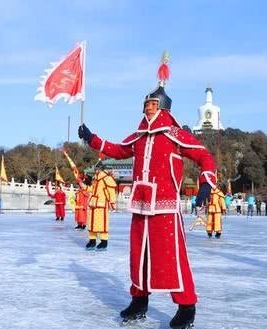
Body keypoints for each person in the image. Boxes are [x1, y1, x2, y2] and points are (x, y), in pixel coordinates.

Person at [78, 53, 217, 329]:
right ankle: (140, 300)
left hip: (165, 206)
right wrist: (92, 138)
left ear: (163, 107)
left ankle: (187, 305)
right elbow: (118, 150)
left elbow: (204, 156)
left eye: (153, 103)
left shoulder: (174, 134)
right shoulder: (139, 136)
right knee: (138, 255)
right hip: (140, 204)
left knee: (171, 256)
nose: (148, 107)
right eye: (146, 103)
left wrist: (205, 184)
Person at [86, 163, 117, 251]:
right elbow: (92, 189)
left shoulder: (107, 178)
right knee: (91, 222)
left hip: (102, 203)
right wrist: (84, 186)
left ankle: (104, 241)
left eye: (97, 169)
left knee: (102, 223)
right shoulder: (95, 179)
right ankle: (92, 240)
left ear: (101, 169)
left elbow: (111, 191)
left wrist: (112, 202)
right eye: (95, 169)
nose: (96, 170)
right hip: (93, 203)